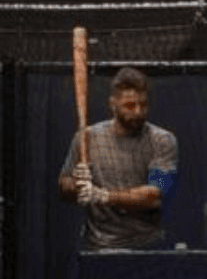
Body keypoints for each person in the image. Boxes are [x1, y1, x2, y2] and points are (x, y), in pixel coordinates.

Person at [58, 66, 178, 250]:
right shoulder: (87, 138)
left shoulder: (162, 140)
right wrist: (78, 184)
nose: (138, 112)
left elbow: (155, 197)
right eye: (130, 106)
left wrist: (103, 195)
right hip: (98, 246)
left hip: (147, 247)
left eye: (143, 105)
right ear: (112, 104)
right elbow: (64, 187)